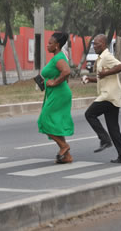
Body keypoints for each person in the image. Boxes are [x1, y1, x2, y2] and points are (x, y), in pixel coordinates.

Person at [83, 34, 121, 164]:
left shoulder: (107, 56)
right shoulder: (101, 58)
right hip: (113, 96)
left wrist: (106, 73)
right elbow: (102, 77)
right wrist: (90, 79)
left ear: (103, 44)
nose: (94, 46)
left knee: (89, 114)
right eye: (93, 43)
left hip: (108, 96)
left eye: (96, 44)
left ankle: (104, 139)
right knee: (113, 128)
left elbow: (120, 66)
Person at [38, 32, 74, 164]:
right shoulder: (57, 57)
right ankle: (67, 156)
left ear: (57, 45)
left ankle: (64, 146)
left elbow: (67, 72)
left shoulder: (59, 57)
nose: (47, 45)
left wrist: (54, 82)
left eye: (50, 43)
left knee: (44, 121)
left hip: (59, 94)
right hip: (55, 94)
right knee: (55, 123)